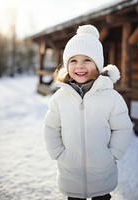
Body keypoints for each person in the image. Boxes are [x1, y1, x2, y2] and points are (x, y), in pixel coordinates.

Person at [44, 24, 133, 200]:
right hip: (71, 174)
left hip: (102, 173)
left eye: (87, 60)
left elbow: (122, 128)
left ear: (98, 64)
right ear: (67, 65)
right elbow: (51, 127)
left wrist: (113, 154)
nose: (80, 66)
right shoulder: (60, 97)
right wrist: (58, 153)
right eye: (73, 61)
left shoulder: (111, 97)